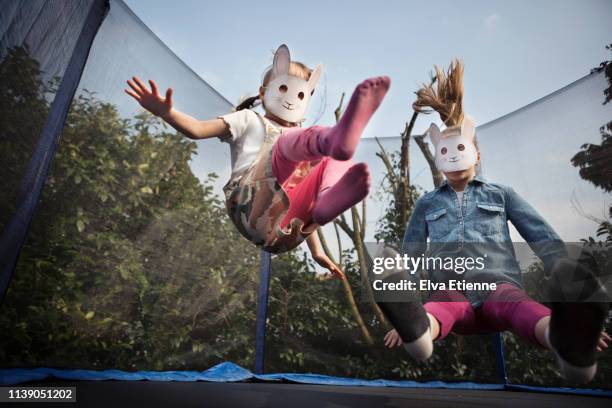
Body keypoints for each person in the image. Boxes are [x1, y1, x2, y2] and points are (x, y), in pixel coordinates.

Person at [377, 60, 609, 383]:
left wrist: (572, 300)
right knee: (442, 304)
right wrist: (403, 310)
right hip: (451, 291)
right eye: (445, 152)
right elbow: (410, 257)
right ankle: (419, 332)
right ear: (438, 160)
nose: (454, 158)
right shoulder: (427, 204)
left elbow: (541, 235)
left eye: (462, 149)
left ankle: (566, 340)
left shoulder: (500, 195)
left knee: (518, 306)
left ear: (477, 155)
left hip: (497, 287)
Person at [125, 44, 390, 278]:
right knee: (294, 145)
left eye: (300, 95)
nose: (291, 99)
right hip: (249, 207)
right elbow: (196, 129)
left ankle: (326, 202)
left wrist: (317, 252)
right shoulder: (249, 120)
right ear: (264, 93)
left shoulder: (302, 142)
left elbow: (298, 194)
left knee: (328, 157)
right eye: (284, 88)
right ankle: (334, 141)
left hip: (288, 230)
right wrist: (166, 112)